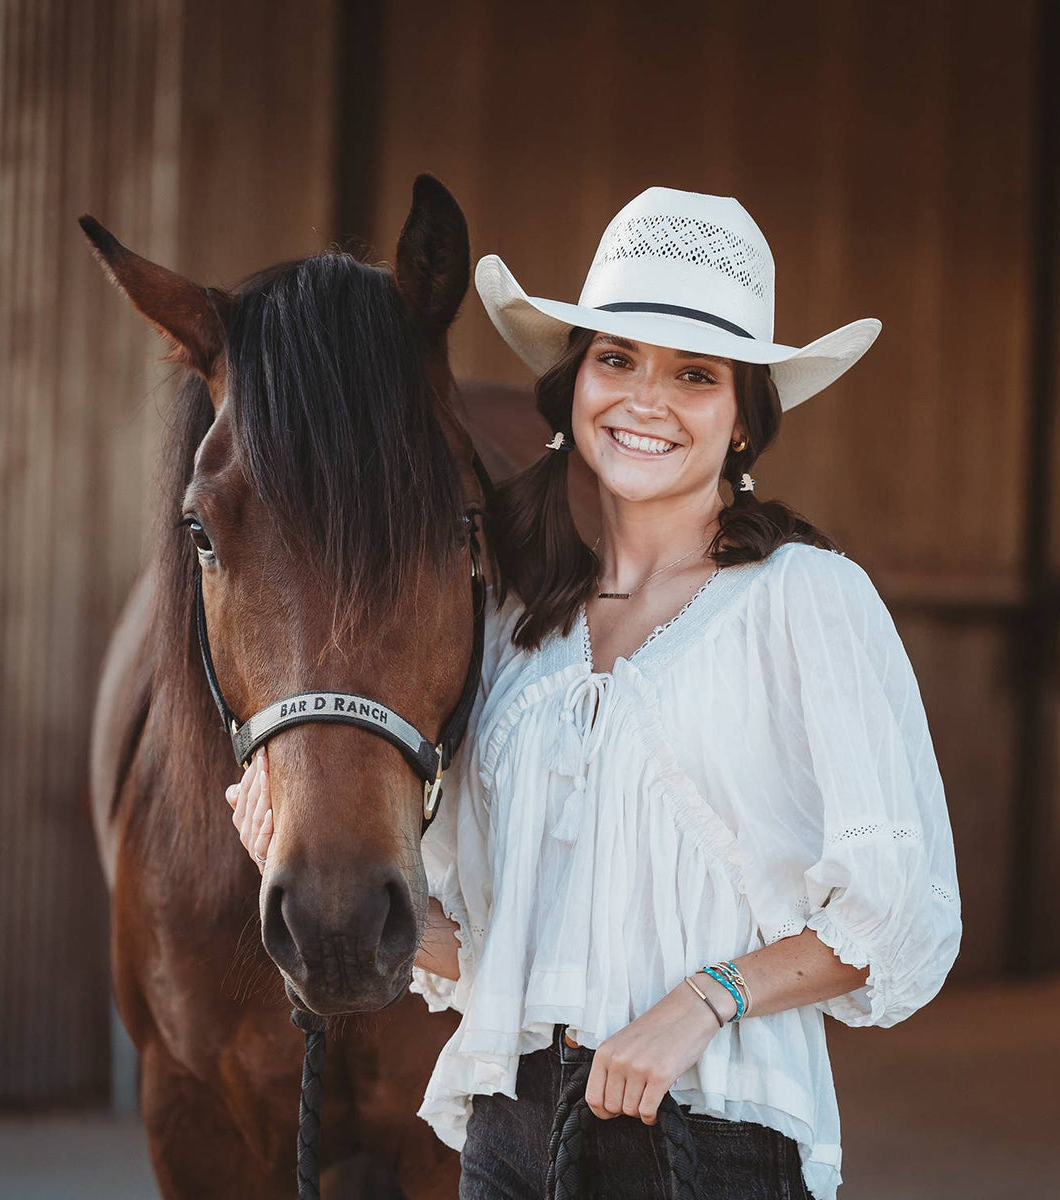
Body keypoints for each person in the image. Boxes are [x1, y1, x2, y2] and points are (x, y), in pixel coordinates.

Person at [226, 187, 962, 1200]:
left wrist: (706, 1001)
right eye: (616, 360)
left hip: (712, 1145)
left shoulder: (806, 602)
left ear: (744, 420)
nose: (645, 400)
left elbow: (900, 912)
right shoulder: (518, 629)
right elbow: (485, 947)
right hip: (510, 1140)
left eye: (695, 375)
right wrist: (289, 855)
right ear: (576, 387)